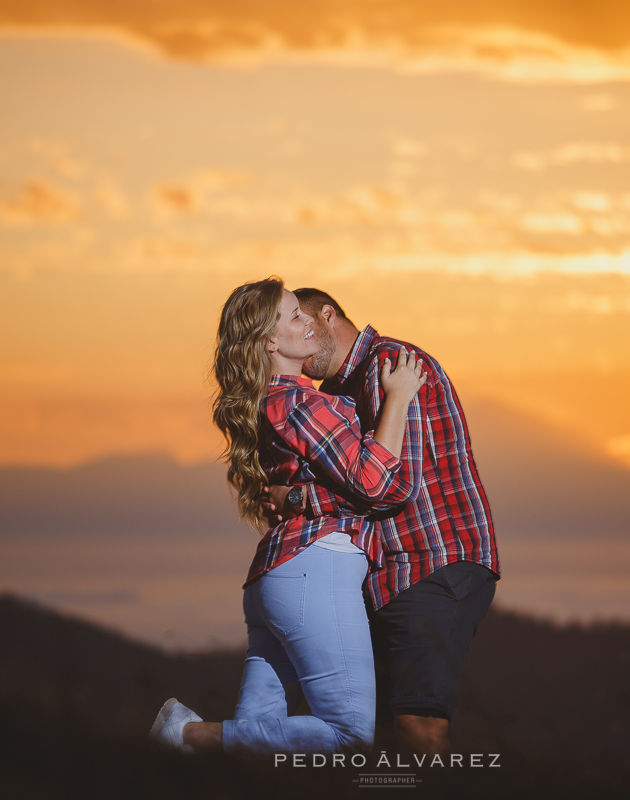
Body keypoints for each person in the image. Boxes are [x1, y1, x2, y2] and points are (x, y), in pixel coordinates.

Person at [150, 277, 425, 754]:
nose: (309, 320)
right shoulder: (298, 402)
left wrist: (295, 498)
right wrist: (398, 396)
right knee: (349, 735)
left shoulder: (275, 403)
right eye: (295, 315)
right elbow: (374, 482)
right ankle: (186, 733)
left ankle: (192, 745)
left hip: (280, 578)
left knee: (255, 752)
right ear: (270, 341)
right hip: (313, 570)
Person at [265, 288, 499, 755]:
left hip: (429, 561)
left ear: (328, 315)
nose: (304, 335)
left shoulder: (390, 365)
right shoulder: (335, 394)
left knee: (418, 727)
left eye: (306, 322)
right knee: (380, 733)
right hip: (394, 572)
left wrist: (298, 496)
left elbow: (393, 486)